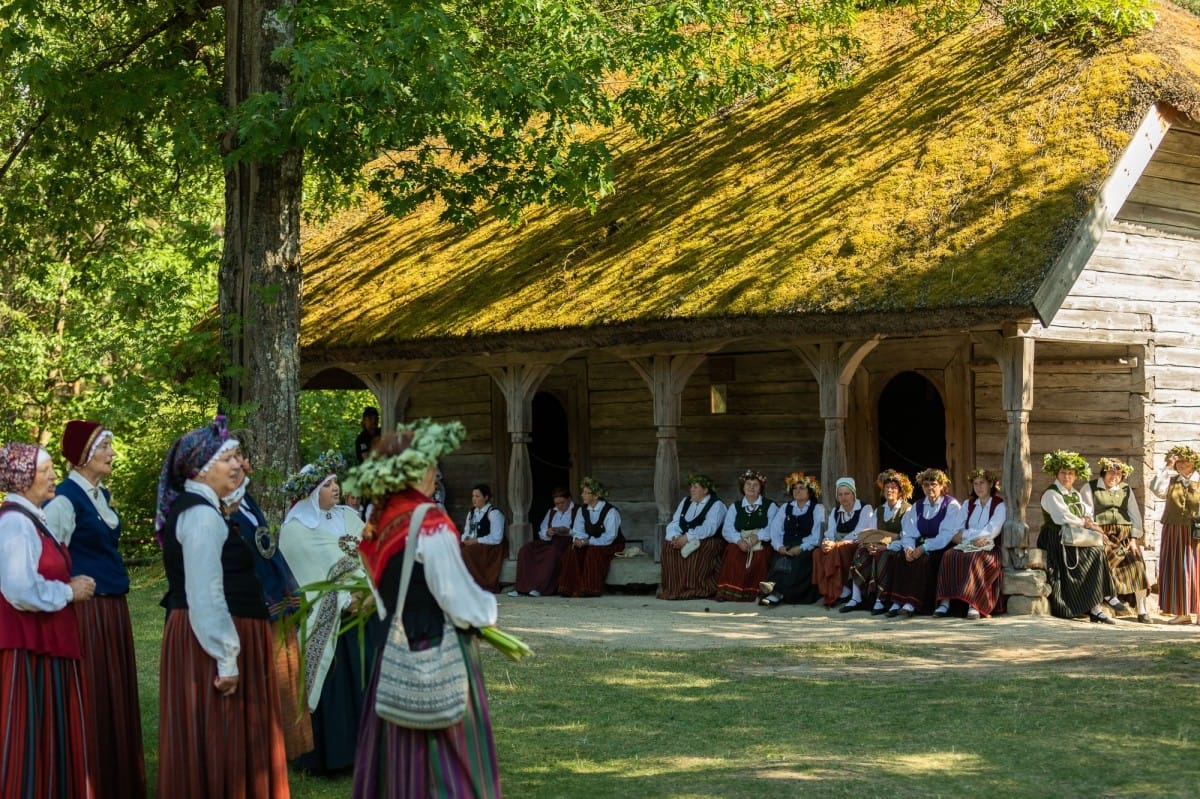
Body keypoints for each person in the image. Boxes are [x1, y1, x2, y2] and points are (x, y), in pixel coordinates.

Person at [344, 419, 501, 798]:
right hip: (436, 653)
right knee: (449, 770)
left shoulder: (378, 522)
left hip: (394, 656)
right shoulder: (429, 521)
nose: (436, 474)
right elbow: (457, 597)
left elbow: (381, 594)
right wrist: (487, 614)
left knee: (397, 767)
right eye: (431, 465)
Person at [155, 416, 290, 798]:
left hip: (214, 630)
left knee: (225, 734)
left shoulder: (205, 506)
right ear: (199, 469)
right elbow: (206, 593)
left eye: (236, 457)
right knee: (220, 732)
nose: (237, 465)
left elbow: (233, 491)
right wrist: (227, 658)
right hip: (210, 637)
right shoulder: (200, 516)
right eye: (227, 457)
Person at [42, 420, 146, 798]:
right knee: (94, 694)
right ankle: (90, 779)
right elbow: (47, 557)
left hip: (113, 611)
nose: (111, 454)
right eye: (104, 447)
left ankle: (116, 777)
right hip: (89, 613)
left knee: (113, 693)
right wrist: (66, 591)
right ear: (83, 454)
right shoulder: (65, 498)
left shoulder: (99, 494)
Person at [0, 442, 97, 798]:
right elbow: (20, 589)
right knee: (28, 734)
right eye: (44, 471)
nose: (54, 475)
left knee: (47, 732)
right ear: (23, 478)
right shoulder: (13, 523)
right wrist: (68, 591)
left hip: (46, 645)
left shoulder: (30, 519)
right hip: (28, 649)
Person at [279, 450, 381, 774]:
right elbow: (305, 581)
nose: (336, 488)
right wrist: (342, 599)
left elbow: (373, 556)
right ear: (312, 491)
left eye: (336, 482)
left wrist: (370, 594)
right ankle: (336, 755)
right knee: (339, 686)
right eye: (328, 484)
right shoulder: (295, 529)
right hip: (329, 618)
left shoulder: (349, 517)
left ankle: (378, 751)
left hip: (365, 611)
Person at [224, 447, 313, 760]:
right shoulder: (225, 508)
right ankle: (261, 752)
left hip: (274, 597)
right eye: (238, 457)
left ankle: (281, 750)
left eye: (246, 457)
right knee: (266, 678)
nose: (247, 463)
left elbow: (265, 545)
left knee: (284, 676)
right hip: (253, 603)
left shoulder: (246, 500)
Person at [1037, 450, 1116, 624]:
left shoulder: (1075, 494)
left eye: (1070, 473)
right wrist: (1087, 524)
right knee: (1093, 554)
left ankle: (1097, 605)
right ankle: (1091, 604)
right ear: (1056, 474)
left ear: (1075, 476)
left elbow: (1086, 512)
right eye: (1063, 473)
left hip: (1075, 536)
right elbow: (1062, 517)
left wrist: (1090, 523)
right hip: (1057, 537)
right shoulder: (1052, 494)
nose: (1067, 476)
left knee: (1098, 551)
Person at [1082, 457, 1152, 622]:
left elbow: (1134, 515)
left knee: (1137, 565)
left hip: (1124, 536)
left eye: (1119, 474)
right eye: (1111, 472)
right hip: (1101, 534)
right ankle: (1097, 607)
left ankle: (1141, 610)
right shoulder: (1090, 487)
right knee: (1103, 565)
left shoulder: (1126, 489)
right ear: (1104, 472)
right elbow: (1086, 515)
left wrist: (1134, 539)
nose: (1114, 476)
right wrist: (1096, 532)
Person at [883, 468, 960, 618]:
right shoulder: (918, 506)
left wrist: (924, 548)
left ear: (942, 486)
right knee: (900, 557)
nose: (930, 488)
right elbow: (908, 532)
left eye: (933, 484)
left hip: (941, 545)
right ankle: (898, 601)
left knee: (924, 560)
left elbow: (946, 535)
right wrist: (909, 548)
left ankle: (914, 603)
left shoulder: (951, 505)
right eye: (926, 484)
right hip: (920, 544)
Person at [933, 468, 1005, 620]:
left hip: (989, 549)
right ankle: (945, 603)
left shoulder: (999, 505)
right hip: (968, 545)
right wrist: (970, 536)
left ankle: (974, 605)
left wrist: (966, 534)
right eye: (975, 483)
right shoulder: (968, 504)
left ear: (991, 484)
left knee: (974, 559)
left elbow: (992, 530)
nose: (978, 487)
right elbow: (956, 529)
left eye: (982, 483)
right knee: (949, 555)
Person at [1149, 445, 1200, 625]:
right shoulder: (1171, 480)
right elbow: (1155, 488)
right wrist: (1167, 467)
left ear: (1193, 464)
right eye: (1178, 461)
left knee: (1197, 569)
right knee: (1179, 569)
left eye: (1184, 462)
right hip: (1174, 530)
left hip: (1196, 531)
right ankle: (1183, 612)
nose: (1180, 464)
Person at [849, 470, 911, 616]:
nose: (889, 490)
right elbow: (872, 532)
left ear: (900, 492)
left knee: (882, 554)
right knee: (861, 551)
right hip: (878, 546)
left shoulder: (908, 509)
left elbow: (906, 536)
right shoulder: (879, 510)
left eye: (893, 488)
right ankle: (856, 597)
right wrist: (870, 545)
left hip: (897, 548)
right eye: (887, 487)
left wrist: (886, 546)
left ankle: (880, 599)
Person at [658, 474, 727, 600]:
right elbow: (675, 522)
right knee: (668, 547)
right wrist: (675, 537)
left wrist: (688, 537)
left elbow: (709, 528)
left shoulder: (716, 504)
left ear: (705, 490)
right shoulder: (686, 502)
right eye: (691, 487)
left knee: (696, 552)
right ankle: (674, 589)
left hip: (709, 540)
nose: (691, 490)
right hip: (684, 538)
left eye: (695, 487)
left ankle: (696, 590)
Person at [760, 472, 824, 607]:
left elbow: (816, 535)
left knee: (796, 563)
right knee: (780, 560)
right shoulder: (785, 508)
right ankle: (774, 590)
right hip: (786, 544)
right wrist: (779, 546)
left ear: (810, 491)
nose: (797, 491)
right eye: (795, 488)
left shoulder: (817, 508)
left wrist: (801, 548)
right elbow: (775, 530)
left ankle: (776, 593)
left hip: (806, 546)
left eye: (802, 488)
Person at [715, 470, 779, 602]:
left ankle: (755, 593)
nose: (751, 487)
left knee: (760, 556)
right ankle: (728, 592)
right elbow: (727, 529)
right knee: (733, 552)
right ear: (742, 488)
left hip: (761, 541)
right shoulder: (736, 507)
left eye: (755, 484)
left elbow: (773, 527)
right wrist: (739, 541)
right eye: (748, 484)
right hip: (741, 540)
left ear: (761, 488)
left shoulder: (770, 506)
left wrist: (757, 537)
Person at [558, 477, 625, 597]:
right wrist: (579, 540)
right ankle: (570, 587)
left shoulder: (610, 512)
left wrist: (589, 542)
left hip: (611, 544)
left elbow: (610, 536)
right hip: (590, 542)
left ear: (596, 495)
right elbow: (578, 530)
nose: (582, 495)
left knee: (592, 551)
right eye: (582, 492)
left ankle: (589, 588)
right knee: (572, 549)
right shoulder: (582, 510)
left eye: (585, 492)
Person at [815, 476, 875, 609]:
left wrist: (836, 544)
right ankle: (830, 590)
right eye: (840, 494)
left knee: (840, 549)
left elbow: (860, 532)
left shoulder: (865, 509)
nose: (844, 498)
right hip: (837, 545)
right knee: (818, 553)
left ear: (853, 494)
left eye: (847, 493)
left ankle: (843, 589)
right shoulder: (835, 512)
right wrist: (826, 542)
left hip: (855, 545)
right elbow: (830, 532)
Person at [508, 487, 578, 597]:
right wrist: (548, 532)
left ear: (569, 499)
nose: (559, 506)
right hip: (549, 541)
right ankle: (522, 588)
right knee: (525, 550)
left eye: (562, 503)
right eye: (557, 503)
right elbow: (542, 531)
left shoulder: (577, 511)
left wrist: (568, 531)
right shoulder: (551, 512)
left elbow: (581, 532)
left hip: (566, 543)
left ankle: (540, 588)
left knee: (551, 553)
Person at [461, 484, 506, 593]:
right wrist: (465, 538)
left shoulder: (494, 513)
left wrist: (476, 541)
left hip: (490, 546)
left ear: (486, 497)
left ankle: (473, 584)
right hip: (474, 543)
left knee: (466, 552)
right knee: (454, 548)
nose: (474, 499)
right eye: (473, 496)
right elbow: (467, 531)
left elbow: (497, 538)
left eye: (477, 496)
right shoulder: (472, 513)